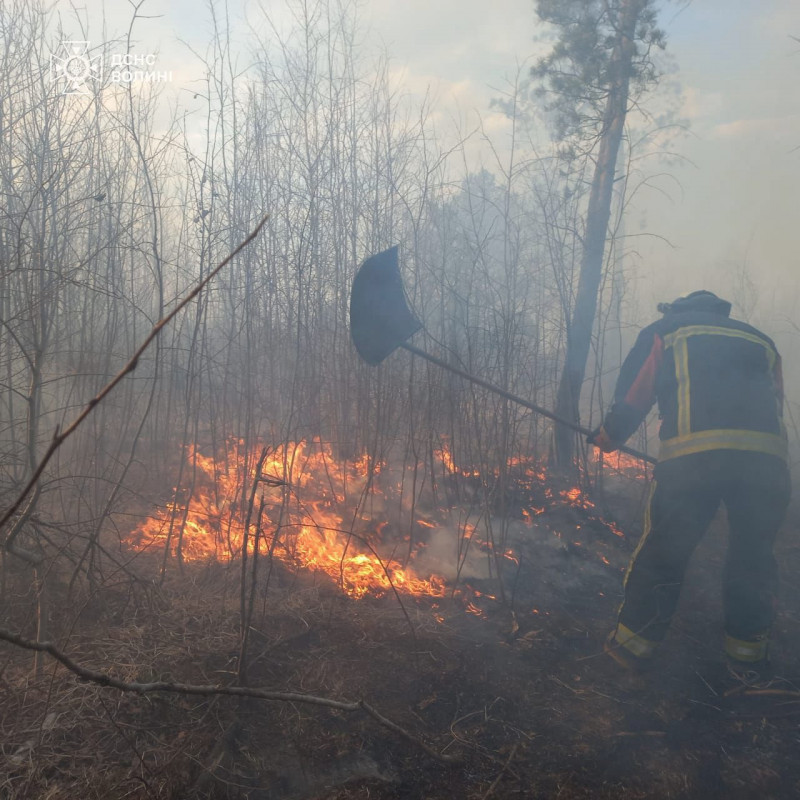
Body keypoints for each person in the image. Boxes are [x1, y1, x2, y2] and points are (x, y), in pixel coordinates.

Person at [588, 290, 790, 678]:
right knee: (753, 556)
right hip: (766, 461)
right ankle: (747, 660)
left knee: (665, 548)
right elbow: (773, 402)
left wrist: (610, 436)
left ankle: (632, 649)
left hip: (694, 460)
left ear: (677, 309)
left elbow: (635, 394)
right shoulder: (759, 339)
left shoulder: (668, 329)